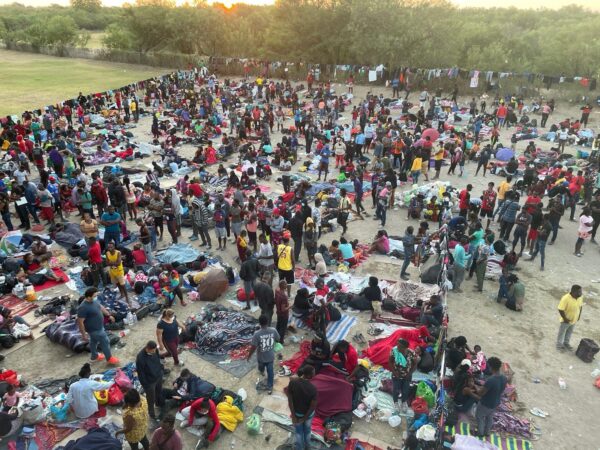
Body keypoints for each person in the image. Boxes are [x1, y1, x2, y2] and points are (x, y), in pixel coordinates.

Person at [77, 288, 119, 365]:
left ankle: (94, 356)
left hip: (99, 326)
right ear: (88, 297)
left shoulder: (93, 301)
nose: (96, 297)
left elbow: (100, 307)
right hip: (94, 329)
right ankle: (109, 358)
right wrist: (83, 334)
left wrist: (108, 315)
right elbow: (80, 322)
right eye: (94, 296)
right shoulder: (83, 308)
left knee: (93, 341)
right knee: (105, 341)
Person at [286, 365, 318, 450]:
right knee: (307, 431)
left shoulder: (293, 382)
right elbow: (312, 406)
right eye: (313, 373)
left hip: (296, 414)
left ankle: (300, 448)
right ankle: (308, 447)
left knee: (298, 433)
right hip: (307, 416)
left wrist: (293, 415)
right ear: (309, 375)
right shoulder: (313, 389)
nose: (314, 374)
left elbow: (290, 398)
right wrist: (304, 418)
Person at [247, 314, 280, 395]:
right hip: (270, 356)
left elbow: (253, 347)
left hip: (261, 357)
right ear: (267, 322)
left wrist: (249, 356)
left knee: (261, 367)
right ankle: (270, 387)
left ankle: (261, 371)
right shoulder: (273, 330)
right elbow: (278, 339)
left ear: (259, 323)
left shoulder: (257, 334)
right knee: (270, 372)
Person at [475, 357, 506, 438]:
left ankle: (480, 433)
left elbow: (481, 393)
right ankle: (487, 432)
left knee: (480, 417)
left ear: (491, 367)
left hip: (486, 403)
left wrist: (476, 387)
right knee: (489, 417)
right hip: (496, 402)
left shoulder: (491, 380)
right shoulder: (504, 378)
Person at [136, 341, 165, 421]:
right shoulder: (140, 358)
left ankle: (159, 404)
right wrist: (146, 385)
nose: (154, 352)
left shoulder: (155, 350)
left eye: (155, 350)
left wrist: (161, 369)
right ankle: (152, 414)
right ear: (147, 348)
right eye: (152, 351)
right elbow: (141, 373)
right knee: (151, 399)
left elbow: (158, 359)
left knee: (159, 391)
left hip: (158, 376)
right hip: (150, 382)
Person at [388, 338, 416, 412]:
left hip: (407, 375)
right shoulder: (394, 351)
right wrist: (394, 372)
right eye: (397, 344)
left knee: (405, 390)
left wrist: (409, 373)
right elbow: (390, 362)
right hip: (396, 375)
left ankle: (404, 402)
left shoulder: (411, 353)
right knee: (396, 389)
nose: (397, 347)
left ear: (405, 348)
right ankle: (396, 402)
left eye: (400, 346)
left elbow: (415, 364)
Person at [556, 285, 583, 351]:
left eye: (581, 291)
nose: (581, 293)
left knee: (569, 332)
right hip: (566, 320)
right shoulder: (565, 298)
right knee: (562, 333)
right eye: (579, 292)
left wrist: (579, 316)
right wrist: (565, 319)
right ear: (574, 292)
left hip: (574, 320)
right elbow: (560, 309)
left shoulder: (580, 297)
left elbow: (580, 307)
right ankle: (559, 345)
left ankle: (566, 343)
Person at [105, 241, 130, 305]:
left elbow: (118, 263)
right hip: (112, 271)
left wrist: (111, 263)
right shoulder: (107, 253)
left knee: (123, 285)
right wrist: (114, 263)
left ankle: (127, 297)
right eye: (108, 247)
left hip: (119, 271)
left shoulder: (118, 253)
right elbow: (107, 263)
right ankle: (122, 294)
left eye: (111, 247)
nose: (109, 248)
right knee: (117, 283)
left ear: (114, 247)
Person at [275, 280, 291, 344]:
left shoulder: (277, 290)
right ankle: (281, 341)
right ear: (283, 286)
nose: (287, 285)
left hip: (278, 312)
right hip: (283, 315)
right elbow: (283, 309)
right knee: (283, 328)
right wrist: (290, 306)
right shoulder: (284, 296)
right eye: (286, 284)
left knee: (278, 325)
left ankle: (276, 337)